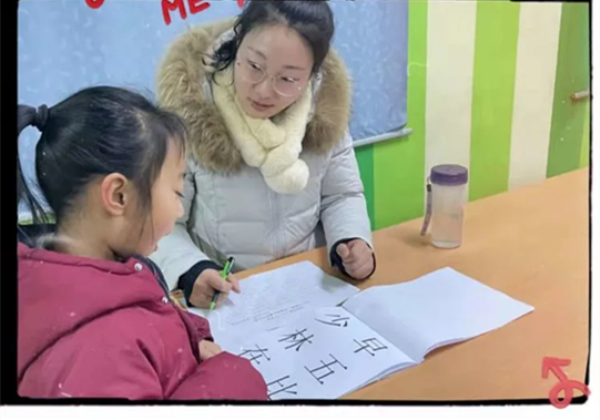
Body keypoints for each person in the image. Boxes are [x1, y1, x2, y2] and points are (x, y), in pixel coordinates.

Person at [17, 86, 267, 400]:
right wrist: (232, 377)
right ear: (118, 195)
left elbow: (153, 317)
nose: (179, 210)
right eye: (176, 192)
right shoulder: (98, 352)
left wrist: (193, 340)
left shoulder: (109, 268)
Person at [151, 0, 376, 309]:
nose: (263, 91)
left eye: (288, 79)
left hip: (307, 287)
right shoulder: (191, 116)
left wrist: (352, 241)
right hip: (229, 296)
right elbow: (162, 223)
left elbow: (342, 195)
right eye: (254, 66)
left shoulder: (323, 112)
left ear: (313, 75)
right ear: (237, 42)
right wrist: (192, 270)